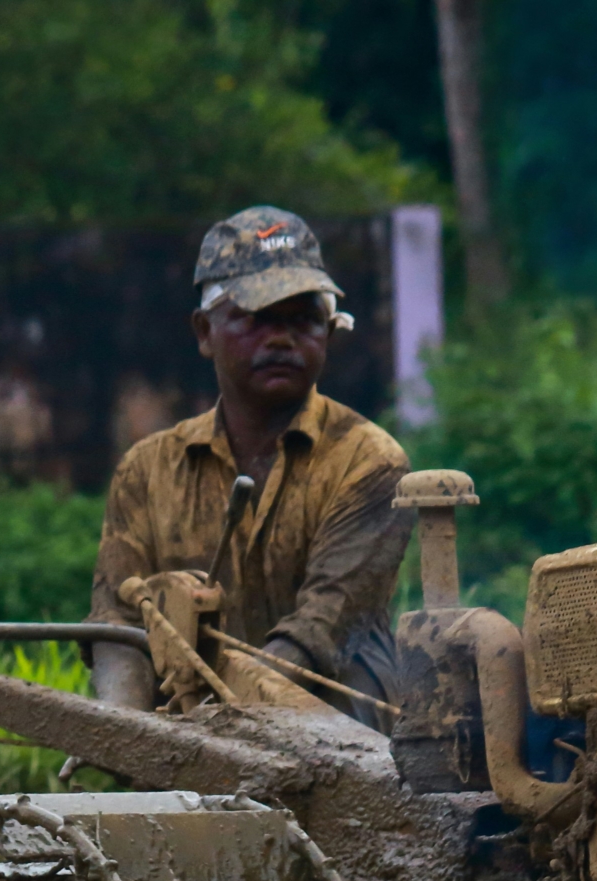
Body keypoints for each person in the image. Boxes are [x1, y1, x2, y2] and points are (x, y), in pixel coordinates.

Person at [87, 205, 412, 719]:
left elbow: (320, 630)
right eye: (257, 318)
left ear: (328, 330)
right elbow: (117, 631)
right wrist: (125, 734)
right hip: (181, 749)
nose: (281, 338)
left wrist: (220, 723)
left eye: (304, 319)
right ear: (204, 331)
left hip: (343, 750)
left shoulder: (370, 461)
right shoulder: (146, 471)